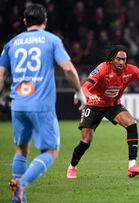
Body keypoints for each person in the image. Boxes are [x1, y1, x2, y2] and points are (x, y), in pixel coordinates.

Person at [0, 4, 86, 203]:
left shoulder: (12, 43)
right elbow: (68, 68)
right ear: (45, 21)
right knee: (51, 152)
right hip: (41, 105)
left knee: (21, 149)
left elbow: (1, 75)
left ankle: (18, 197)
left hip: (18, 105)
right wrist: (79, 91)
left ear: (24, 22)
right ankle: (22, 185)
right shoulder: (51, 40)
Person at [66, 45, 139, 178]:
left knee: (131, 123)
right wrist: (90, 96)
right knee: (86, 141)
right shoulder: (102, 68)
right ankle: (72, 166)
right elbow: (85, 87)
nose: (122, 62)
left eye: (124, 59)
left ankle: (132, 166)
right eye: (118, 59)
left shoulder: (131, 70)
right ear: (112, 59)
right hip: (93, 105)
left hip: (112, 105)